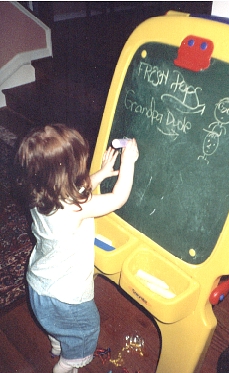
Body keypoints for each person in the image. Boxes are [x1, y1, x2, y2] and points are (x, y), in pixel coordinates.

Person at [15, 123, 139, 373]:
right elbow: (118, 198)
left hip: (39, 285)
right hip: (67, 297)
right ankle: (65, 364)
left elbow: (74, 192)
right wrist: (129, 162)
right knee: (85, 331)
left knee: (57, 325)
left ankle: (58, 346)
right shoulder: (75, 208)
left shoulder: (38, 195)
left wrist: (102, 173)